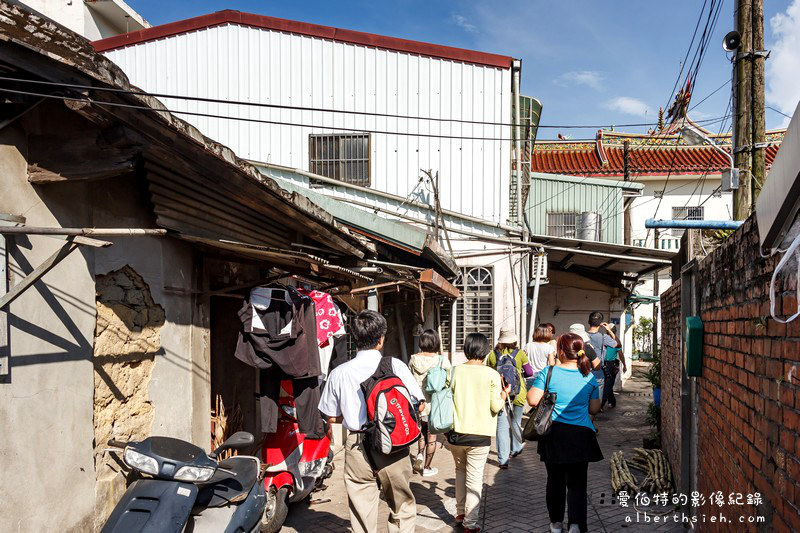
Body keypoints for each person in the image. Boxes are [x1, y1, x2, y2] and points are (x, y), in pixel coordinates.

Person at [318, 310, 426, 533]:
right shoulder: (395, 366)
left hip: (357, 445)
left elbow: (329, 414)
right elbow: (420, 404)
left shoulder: (339, 373)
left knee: (362, 508)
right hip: (393, 442)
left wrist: (350, 414)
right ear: (381, 339)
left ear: (354, 339)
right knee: (402, 505)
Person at [528, 333, 603, 533]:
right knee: (577, 484)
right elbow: (595, 408)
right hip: (581, 436)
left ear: (560, 351)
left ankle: (555, 523)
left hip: (554, 435)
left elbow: (533, 400)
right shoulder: (588, 376)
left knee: (555, 481)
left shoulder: (549, 372)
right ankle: (576, 526)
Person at [449, 332, 509, 533]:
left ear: (466, 349)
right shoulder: (491, 374)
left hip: (456, 433)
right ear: (485, 350)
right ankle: (470, 523)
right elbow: (495, 406)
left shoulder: (454, 371)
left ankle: (459, 513)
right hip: (480, 435)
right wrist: (504, 394)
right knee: (474, 478)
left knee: (459, 471)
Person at [486, 327, 532, 468]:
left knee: (501, 426)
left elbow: (489, 373)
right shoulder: (520, 354)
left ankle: (503, 460)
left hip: (500, 392)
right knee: (516, 421)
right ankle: (516, 449)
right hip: (518, 393)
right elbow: (529, 372)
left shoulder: (493, 355)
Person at [408, 329, 450, 477]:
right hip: (435, 403)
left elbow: (409, 379)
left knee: (421, 433)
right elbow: (449, 381)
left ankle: (419, 454)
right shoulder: (441, 360)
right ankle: (426, 467)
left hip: (418, 402)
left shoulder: (413, 359)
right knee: (431, 436)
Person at [585, 312, 622, 411]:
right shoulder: (603, 337)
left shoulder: (582, 337)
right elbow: (618, 344)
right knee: (595, 404)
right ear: (601, 324)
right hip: (597, 373)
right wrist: (609, 330)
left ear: (589, 321)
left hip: (583, 372)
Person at [601, 323, 627, 408]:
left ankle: (602, 403)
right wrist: (624, 365)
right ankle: (612, 401)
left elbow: (621, 354)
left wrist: (624, 365)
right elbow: (621, 354)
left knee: (608, 384)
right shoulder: (605, 339)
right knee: (608, 384)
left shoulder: (615, 341)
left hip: (611, 365)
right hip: (605, 364)